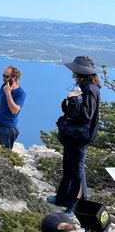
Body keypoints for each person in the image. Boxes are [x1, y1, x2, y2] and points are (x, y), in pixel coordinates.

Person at [47, 56, 101, 217]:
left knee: (77, 170)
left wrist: (72, 100)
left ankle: (75, 206)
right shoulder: (84, 87)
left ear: (79, 72)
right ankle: (62, 198)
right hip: (73, 135)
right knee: (68, 167)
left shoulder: (90, 89)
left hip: (80, 136)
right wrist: (70, 102)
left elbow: (86, 115)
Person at [0, 65, 26, 149]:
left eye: (6, 76)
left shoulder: (20, 93)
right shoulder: (4, 86)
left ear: (14, 77)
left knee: (4, 154)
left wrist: (8, 93)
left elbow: (14, 110)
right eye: (3, 75)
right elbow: (0, 103)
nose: (4, 78)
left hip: (8, 129)